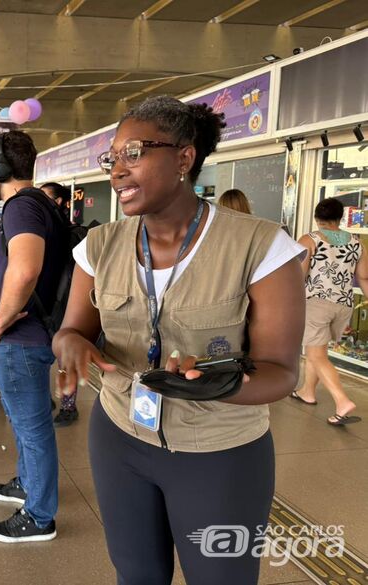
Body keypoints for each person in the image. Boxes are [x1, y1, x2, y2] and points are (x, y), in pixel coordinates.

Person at [53, 95, 305, 584]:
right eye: (113, 158)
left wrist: (216, 383)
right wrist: (70, 347)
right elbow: (71, 330)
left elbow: (281, 371)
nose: (117, 171)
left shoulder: (261, 246)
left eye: (134, 153)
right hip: (120, 438)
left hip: (220, 452)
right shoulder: (99, 246)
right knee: (136, 574)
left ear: (184, 158)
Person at [0, 130, 69, 543]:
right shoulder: (38, 206)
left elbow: (26, 268)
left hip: (20, 340)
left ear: (1, 166)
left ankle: (38, 516)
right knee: (23, 424)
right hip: (28, 339)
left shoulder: (20, 208)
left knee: (33, 429)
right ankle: (28, 483)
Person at [293, 197, 368, 425]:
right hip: (343, 304)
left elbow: (299, 275)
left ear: (317, 218)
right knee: (320, 350)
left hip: (317, 303)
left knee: (316, 354)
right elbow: (363, 276)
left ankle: (342, 401)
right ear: (341, 217)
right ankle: (307, 391)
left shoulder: (310, 239)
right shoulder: (357, 243)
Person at [41, 181, 79, 427]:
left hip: (67, 307)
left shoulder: (74, 234)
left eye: (44, 197)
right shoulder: (41, 231)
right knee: (42, 358)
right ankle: (48, 400)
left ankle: (68, 406)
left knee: (66, 361)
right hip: (45, 306)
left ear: (59, 203)